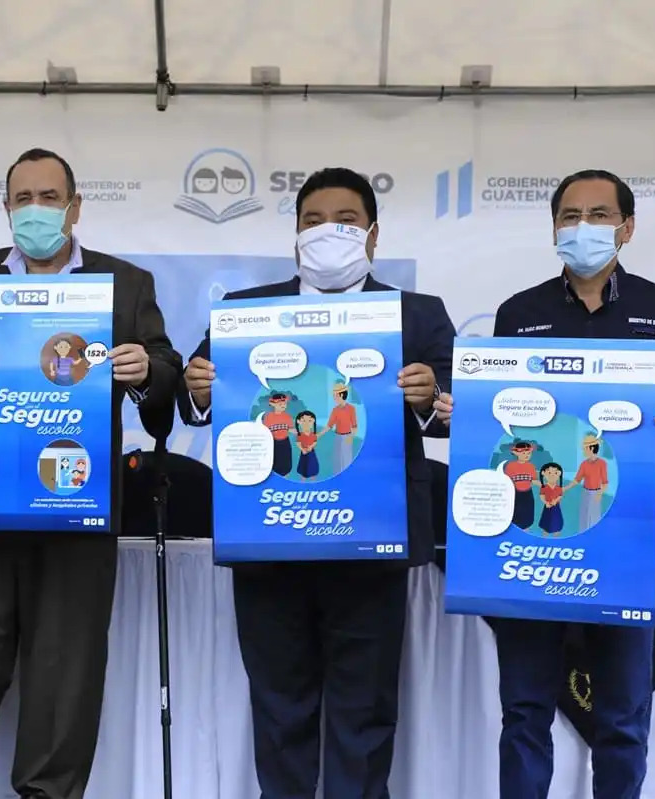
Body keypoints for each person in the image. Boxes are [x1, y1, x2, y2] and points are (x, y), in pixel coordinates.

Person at [0, 147, 182, 799]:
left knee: (65, 679)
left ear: (75, 207)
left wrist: (146, 372)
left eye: (50, 198)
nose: (37, 210)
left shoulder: (123, 285)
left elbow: (166, 373)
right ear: (6, 208)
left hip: (78, 514)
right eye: (24, 199)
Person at [433, 169, 655, 799]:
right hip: (530, 544)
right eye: (570, 217)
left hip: (623, 538)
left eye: (599, 215)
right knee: (526, 712)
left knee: (621, 718)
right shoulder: (519, 312)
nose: (583, 228)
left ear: (628, 227)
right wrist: (469, 414)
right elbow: (505, 428)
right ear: (553, 228)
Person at [179, 168, 454, 798]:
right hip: (271, 548)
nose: (328, 232)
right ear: (295, 236)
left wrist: (431, 395)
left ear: (373, 235)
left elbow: (455, 406)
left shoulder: (417, 314)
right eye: (312, 222)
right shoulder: (246, 313)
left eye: (346, 222)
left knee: (364, 717)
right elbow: (199, 398)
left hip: (370, 551)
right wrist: (197, 392)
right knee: (280, 715)